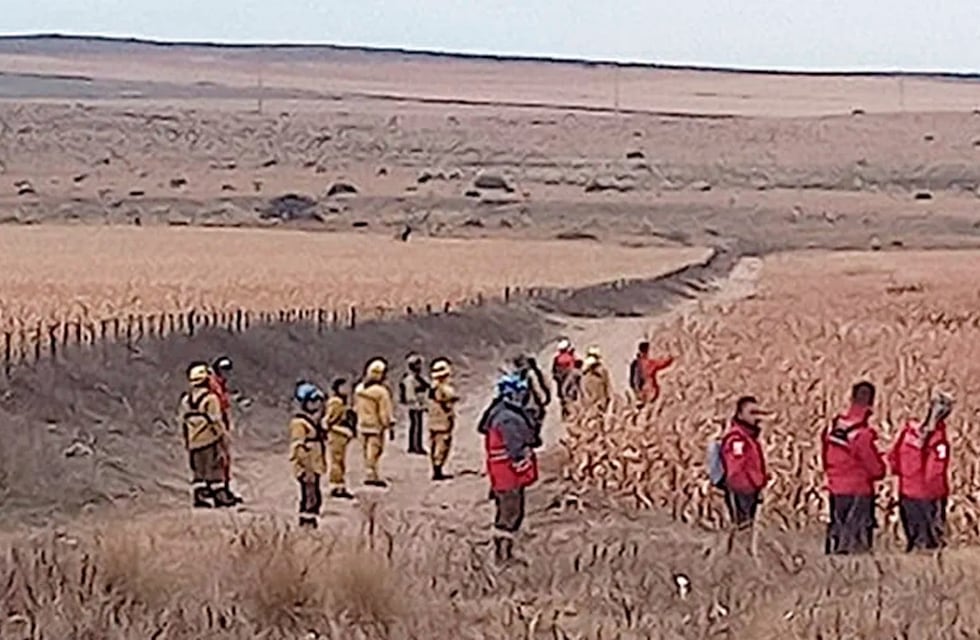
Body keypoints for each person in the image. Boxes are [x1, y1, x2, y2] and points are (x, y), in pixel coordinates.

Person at [822, 381, 886, 555]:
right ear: (871, 403)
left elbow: (825, 458)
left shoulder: (834, 428)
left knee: (838, 534)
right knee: (857, 546)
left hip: (836, 490)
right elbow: (876, 469)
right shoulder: (862, 434)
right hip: (858, 491)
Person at [481, 373, 540, 563]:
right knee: (511, 512)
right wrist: (523, 467)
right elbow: (515, 448)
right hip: (508, 472)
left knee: (504, 510)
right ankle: (503, 555)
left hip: (499, 471)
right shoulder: (508, 419)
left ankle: (503, 552)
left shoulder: (497, 412)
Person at [888, 391, 954, 552]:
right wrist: (937, 495)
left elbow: (893, 458)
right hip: (928, 497)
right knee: (930, 543)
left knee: (914, 540)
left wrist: (904, 478)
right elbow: (935, 471)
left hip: (907, 493)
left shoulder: (908, 433)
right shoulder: (939, 440)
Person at [179, 362, 234, 508]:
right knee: (215, 467)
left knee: (198, 470)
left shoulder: (186, 400)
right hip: (210, 439)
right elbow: (216, 420)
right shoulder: (211, 399)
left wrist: (186, 440)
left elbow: (182, 422)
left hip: (193, 441)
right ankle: (219, 496)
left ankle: (200, 496)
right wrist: (223, 437)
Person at [720, 396, 769, 529]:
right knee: (742, 527)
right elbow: (736, 466)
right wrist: (748, 484)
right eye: (752, 413)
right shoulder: (737, 439)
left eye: (758, 413)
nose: (756, 417)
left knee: (748, 527)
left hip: (751, 490)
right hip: (741, 490)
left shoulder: (749, 438)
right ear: (740, 415)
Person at [289, 382, 327, 528]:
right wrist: (306, 468)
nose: (315, 405)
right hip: (307, 466)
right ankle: (306, 521)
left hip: (315, 463)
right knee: (309, 495)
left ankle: (311, 519)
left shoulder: (313, 422)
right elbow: (298, 447)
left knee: (315, 495)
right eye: (312, 402)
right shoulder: (299, 423)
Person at [208, 356, 243, 505]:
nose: (226, 373)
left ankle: (225, 489)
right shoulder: (213, 385)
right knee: (219, 459)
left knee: (225, 459)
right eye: (223, 370)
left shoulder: (220, 385)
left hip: (221, 422)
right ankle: (219, 492)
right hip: (215, 426)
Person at [355, 358, 394, 488]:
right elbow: (384, 411)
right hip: (375, 426)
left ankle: (368, 471)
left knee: (366, 450)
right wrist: (388, 424)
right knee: (375, 450)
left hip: (362, 424)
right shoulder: (381, 392)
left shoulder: (359, 389)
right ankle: (371, 474)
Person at [325, 377, 357, 500]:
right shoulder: (336, 402)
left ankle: (340, 484)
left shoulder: (340, 402)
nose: (347, 390)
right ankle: (336, 485)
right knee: (337, 460)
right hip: (337, 434)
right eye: (344, 387)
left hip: (341, 434)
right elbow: (330, 419)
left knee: (340, 461)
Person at [428, 358, 459, 481]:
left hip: (433, 420)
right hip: (443, 421)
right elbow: (447, 403)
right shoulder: (445, 389)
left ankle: (435, 466)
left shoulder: (432, 387)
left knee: (434, 444)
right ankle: (438, 468)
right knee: (442, 445)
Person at [399, 353, 430, 454]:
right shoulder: (410, 379)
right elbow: (410, 395)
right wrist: (418, 404)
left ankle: (415, 445)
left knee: (416, 425)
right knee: (416, 426)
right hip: (415, 406)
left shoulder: (417, 378)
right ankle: (415, 446)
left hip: (417, 405)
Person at [513, 354, 550, 438]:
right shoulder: (531, 373)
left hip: (522, 403)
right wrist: (543, 400)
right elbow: (537, 388)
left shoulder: (517, 374)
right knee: (536, 421)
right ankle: (532, 438)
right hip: (532, 403)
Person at [629, 341, 674, 406]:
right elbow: (661, 364)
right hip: (648, 392)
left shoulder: (637, 363)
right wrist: (671, 358)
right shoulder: (646, 363)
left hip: (642, 390)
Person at [581, 346, 612, 414]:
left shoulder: (587, 373)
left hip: (596, 401)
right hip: (597, 400)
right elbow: (608, 385)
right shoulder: (601, 371)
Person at [551, 338, 577, 417]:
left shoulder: (557, 358)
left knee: (563, 393)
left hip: (561, 378)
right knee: (570, 393)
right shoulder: (569, 357)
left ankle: (567, 410)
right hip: (569, 377)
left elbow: (554, 370)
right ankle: (570, 411)